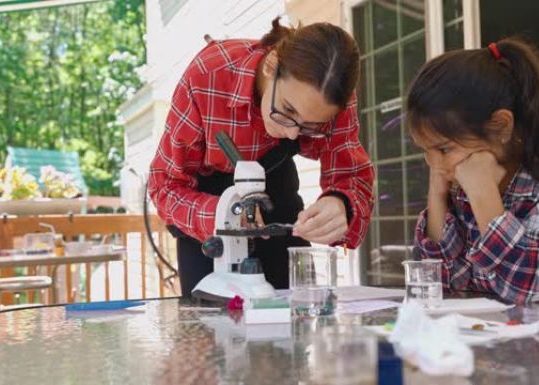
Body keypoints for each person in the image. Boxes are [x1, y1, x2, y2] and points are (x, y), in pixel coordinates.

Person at [148, 17, 374, 298]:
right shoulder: (208, 75)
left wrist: (340, 203)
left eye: (310, 126)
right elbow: (164, 186)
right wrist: (223, 216)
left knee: (292, 324)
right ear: (271, 65)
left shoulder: (332, 96)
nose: (292, 135)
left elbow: (352, 174)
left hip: (278, 195)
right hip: (206, 205)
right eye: (287, 111)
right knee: (207, 331)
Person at [408, 37, 539, 307]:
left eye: (443, 149)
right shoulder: (460, 193)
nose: (435, 164)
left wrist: (483, 195)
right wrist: (437, 194)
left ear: (501, 126)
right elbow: (438, 281)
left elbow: (523, 286)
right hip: (503, 341)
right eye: (426, 151)